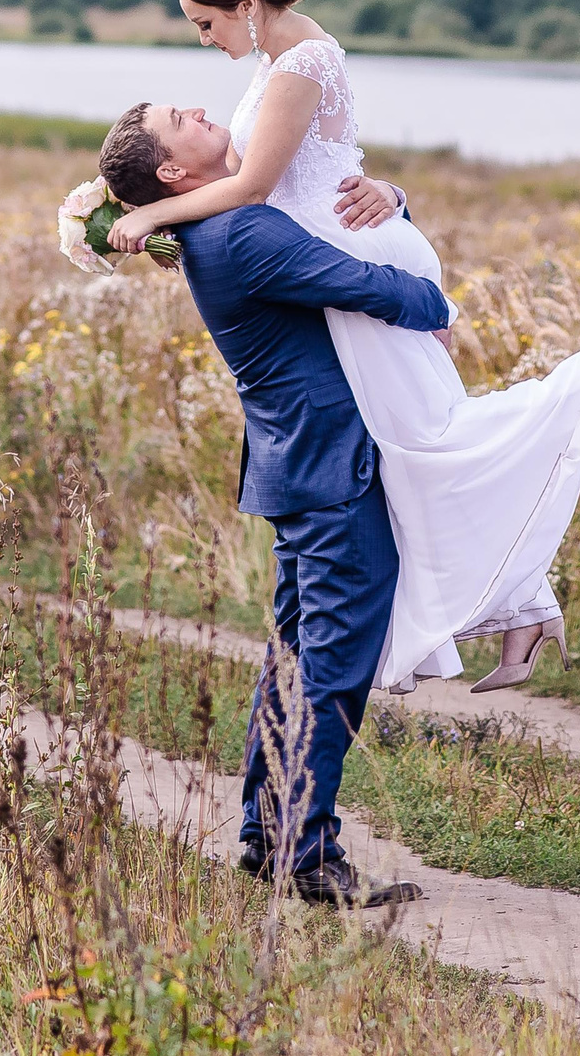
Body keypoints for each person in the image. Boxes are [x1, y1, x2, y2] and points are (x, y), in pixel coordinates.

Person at [101, 0, 580, 697]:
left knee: (431, 440)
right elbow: (307, 167)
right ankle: (526, 609)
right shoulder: (277, 59)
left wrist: (149, 219)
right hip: (352, 248)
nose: (204, 41)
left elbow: (252, 186)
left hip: (362, 262)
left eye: (205, 23)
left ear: (243, 4)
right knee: (415, 451)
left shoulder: (302, 61)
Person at [104, 103, 446, 906]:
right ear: (170, 173)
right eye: (175, 120)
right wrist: (440, 303)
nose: (196, 107)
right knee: (331, 659)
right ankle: (306, 853)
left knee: (296, 653)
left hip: (297, 463)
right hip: (330, 465)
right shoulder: (239, 235)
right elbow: (363, 282)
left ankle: (268, 836)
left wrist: (390, 198)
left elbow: (345, 231)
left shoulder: (216, 228)